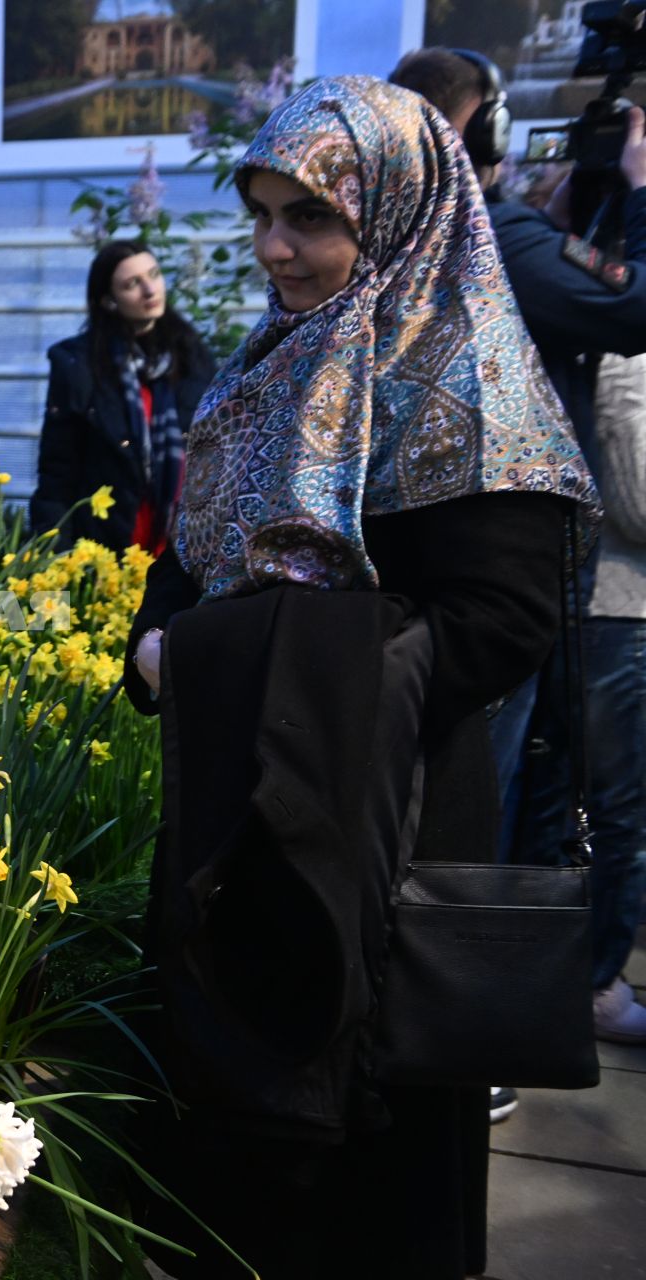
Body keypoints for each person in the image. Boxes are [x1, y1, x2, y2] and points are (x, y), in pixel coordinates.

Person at [124, 78, 596, 1280]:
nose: (277, 246)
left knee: (368, 1179)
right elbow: (200, 557)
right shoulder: (276, 358)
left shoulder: (470, 379)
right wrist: (159, 640)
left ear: (395, 213)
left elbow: (504, 619)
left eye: (310, 219)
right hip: (244, 827)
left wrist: (247, 664)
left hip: (389, 832)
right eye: (264, 213)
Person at [394, 47, 646, 1048]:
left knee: (492, 785)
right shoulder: (499, 237)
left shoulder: (438, 247)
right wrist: (637, 193)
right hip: (517, 566)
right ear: (481, 132)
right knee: (493, 792)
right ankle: (476, 1025)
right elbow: (631, 304)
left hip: (455, 566)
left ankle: (482, 1013)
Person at [30, 240, 214, 553]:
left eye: (154, 274)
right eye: (132, 284)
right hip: (107, 547)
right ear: (109, 301)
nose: (150, 290)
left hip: (177, 552)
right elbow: (58, 472)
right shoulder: (79, 365)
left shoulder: (192, 356)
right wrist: (56, 557)